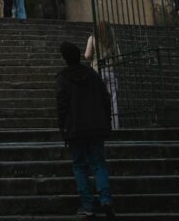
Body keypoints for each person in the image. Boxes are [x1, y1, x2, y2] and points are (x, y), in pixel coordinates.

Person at [57, 41, 116, 219]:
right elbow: (106, 98)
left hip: (75, 128)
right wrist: (106, 119)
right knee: (98, 163)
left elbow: (62, 105)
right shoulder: (92, 74)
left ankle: (88, 204)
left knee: (80, 166)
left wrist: (63, 127)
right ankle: (106, 200)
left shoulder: (62, 78)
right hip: (96, 126)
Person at [85, 20, 119, 129]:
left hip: (97, 72)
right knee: (113, 100)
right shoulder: (112, 40)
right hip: (110, 71)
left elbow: (87, 55)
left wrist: (95, 58)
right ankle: (115, 126)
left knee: (97, 99)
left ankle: (99, 125)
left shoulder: (92, 38)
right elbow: (119, 58)